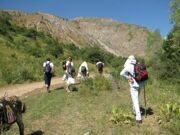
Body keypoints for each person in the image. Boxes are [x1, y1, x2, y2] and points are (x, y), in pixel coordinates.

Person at [120, 55, 144, 123]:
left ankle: (138, 117)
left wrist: (128, 77)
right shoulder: (138, 65)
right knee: (136, 98)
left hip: (134, 86)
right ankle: (134, 111)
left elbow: (121, 73)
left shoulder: (128, 66)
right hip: (141, 84)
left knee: (135, 100)